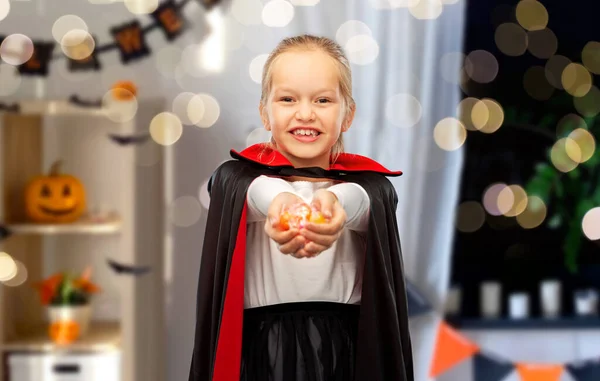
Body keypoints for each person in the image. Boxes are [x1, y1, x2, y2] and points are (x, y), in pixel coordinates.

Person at [188, 34, 414, 381]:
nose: (305, 113)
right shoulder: (238, 180)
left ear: (347, 115)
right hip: (264, 355)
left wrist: (334, 205)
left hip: (347, 354)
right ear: (265, 112)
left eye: (323, 100)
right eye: (287, 99)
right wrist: (282, 202)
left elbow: (362, 202)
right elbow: (250, 191)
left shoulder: (369, 189)